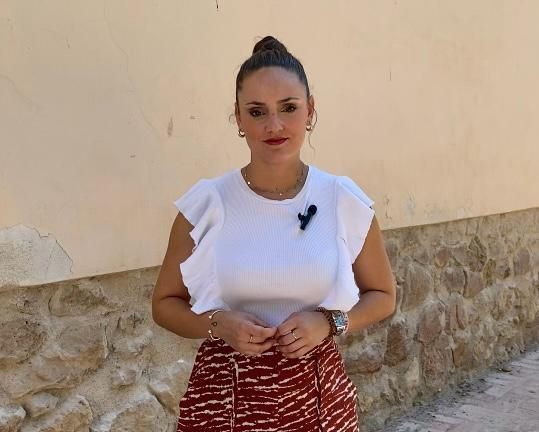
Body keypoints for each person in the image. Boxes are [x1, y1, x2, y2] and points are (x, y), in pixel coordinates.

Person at [152, 35, 396, 432]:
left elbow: (383, 295)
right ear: (238, 118)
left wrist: (329, 323)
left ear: (310, 110)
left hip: (317, 398)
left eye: (289, 107)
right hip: (223, 399)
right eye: (257, 111)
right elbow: (164, 304)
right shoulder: (207, 204)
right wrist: (218, 324)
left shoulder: (341, 199)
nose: (274, 125)